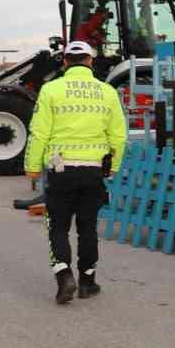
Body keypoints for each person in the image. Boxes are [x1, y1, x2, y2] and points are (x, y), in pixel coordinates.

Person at [24, 41, 128, 305]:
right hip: (93, 172)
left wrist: (32, 167)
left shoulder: (50, 90)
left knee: (57, 226)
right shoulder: (107, 92)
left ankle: (63, 275)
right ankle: (87, 281)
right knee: (87, 227)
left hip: (60, 170)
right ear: (91, 62)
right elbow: (118, 135)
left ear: (65, 62)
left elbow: (39, 132)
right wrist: (113, 166)